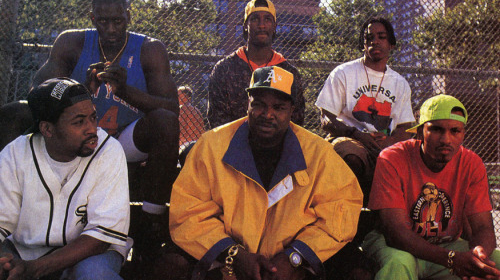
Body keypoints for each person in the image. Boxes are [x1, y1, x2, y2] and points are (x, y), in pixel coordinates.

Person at [169, 66, 363, 280]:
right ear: (248, 105)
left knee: (357, 270)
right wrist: (234, 255)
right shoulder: (211, 146)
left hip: (291, 271)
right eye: (259, 105)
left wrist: (295, 256)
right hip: (226, 267)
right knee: (170, 264)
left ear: (292, 111)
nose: (268, 114)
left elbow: (341, 213)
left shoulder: (319, 154)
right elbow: (187, 213)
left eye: (278, 107)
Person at [31, 0, 179, 259]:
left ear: (129, 16)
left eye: (118, 21)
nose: (111, 28)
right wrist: (77, 89)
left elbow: (172, 109)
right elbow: (35, 95)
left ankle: (150, 221)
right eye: (103, 21)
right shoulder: (72, 42)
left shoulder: (149, 48)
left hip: (124, 140)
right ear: (91, 18)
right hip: (77, 137)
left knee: (164, 122)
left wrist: (125, 92)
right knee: (14, 113)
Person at [0, 78, 130, 280]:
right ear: (47, 129)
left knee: (94, 274)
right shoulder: (16, 153)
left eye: (93, 117)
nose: (91, 129)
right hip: (23, 251)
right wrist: (5, 260)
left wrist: (34, 269)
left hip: (90, 254)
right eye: (79, 122)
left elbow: (101, 237)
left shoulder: (108, 150)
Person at [363, 94, 500, 280]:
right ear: (419, 132)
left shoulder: (471, 163)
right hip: (394, 245)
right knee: (399, 263)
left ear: (463, 134)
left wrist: (479, 256)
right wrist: (452, 260)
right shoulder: (393, 158)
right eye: (436, 130)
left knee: (495, 262)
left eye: (455, 131)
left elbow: (483, 227)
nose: (446, 139)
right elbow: (395, 233)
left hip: (446, 246)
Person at [315, 17, 415, 202]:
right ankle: (349, 210)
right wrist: (356, 134)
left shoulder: (400, 83)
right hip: (348, 139)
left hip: (382, 145)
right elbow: (325, 119)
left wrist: (389, 142)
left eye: (381, 37)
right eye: (369, 38)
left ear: (391, 44)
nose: (374, 41)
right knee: (353, 156)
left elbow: (405, 128)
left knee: (409, 168)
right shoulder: (343, 73)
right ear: (363, 45)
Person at [207, 0, 305, 129]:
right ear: (245, 26)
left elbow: (296, 121)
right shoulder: (224, 69)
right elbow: (216, 120)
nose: (261, 25)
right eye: (255, 19)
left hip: (277, 147)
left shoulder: (288, 73)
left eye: (267, 19)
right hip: (233, 145)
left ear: (275, 27)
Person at [178, 85, 205, 151]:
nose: (177, 97)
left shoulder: (182, 109)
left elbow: (182, 131)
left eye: (179, 95)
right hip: (199, 144)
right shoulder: (197, 110)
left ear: (187, 97)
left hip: (185, 145)